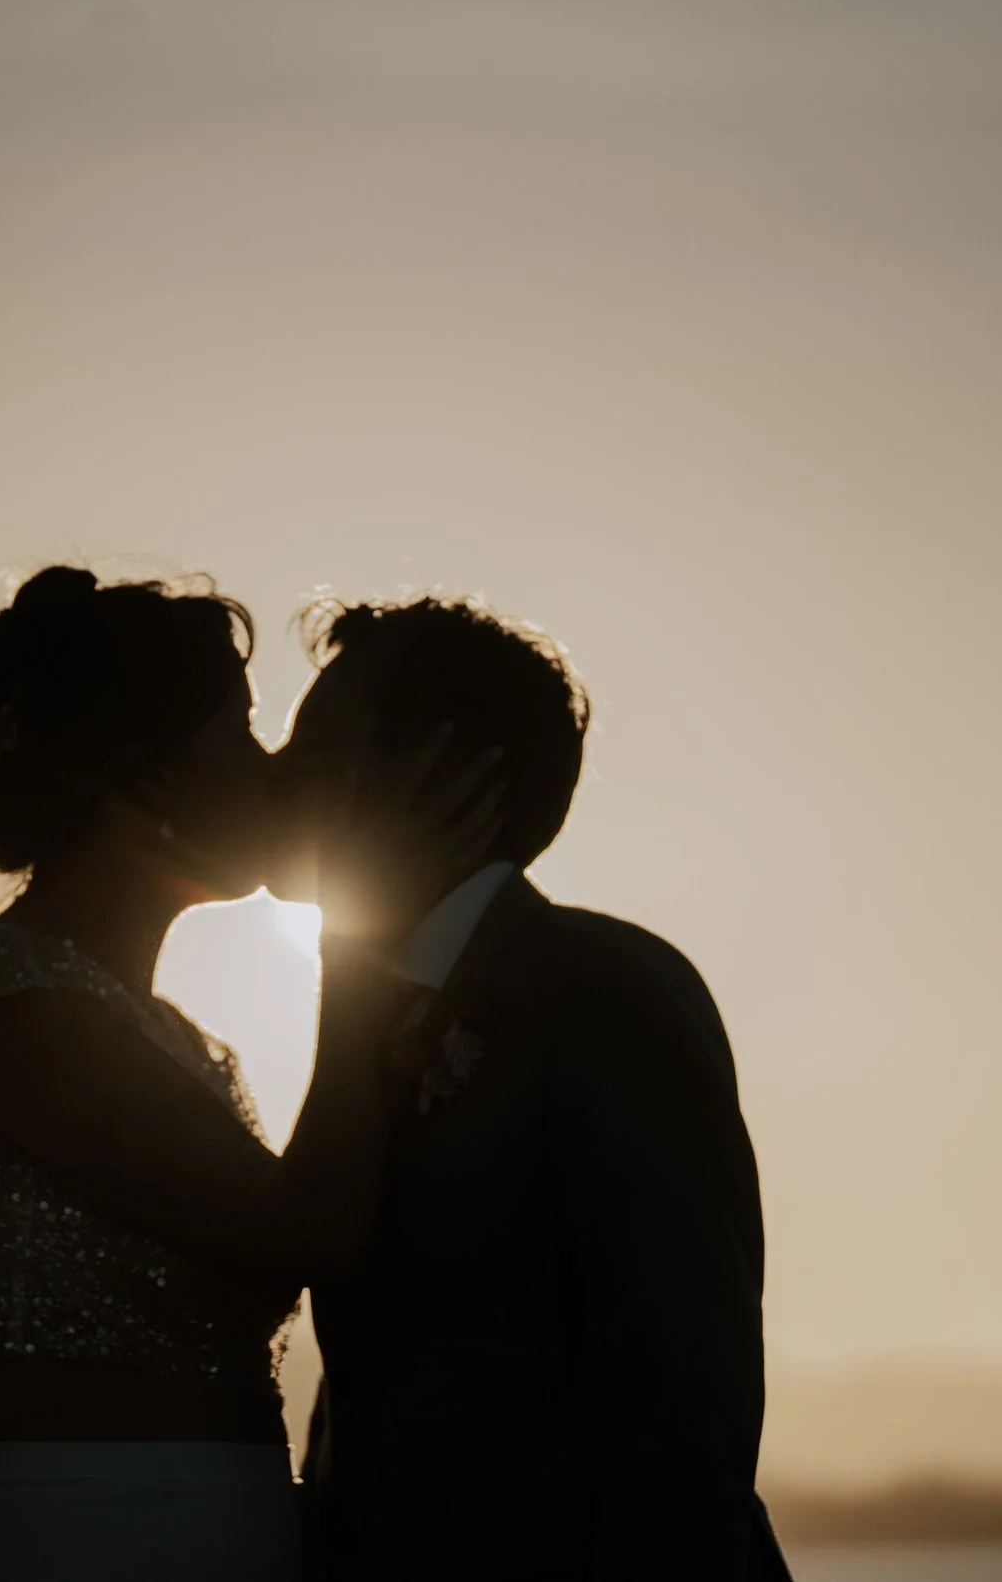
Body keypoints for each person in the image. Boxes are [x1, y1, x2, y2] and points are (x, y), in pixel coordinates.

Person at [0, 566, 501, 1582]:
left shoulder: (175, 1037)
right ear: (150, 774)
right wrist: (355, 921)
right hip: (80, 1541)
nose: (273, 770)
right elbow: (313, 1226)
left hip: (234, 1531)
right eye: (241, 732)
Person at [277, 596, 791, 1581]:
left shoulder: (603, 988)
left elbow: (682, 1405)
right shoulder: (363, 1015)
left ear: (438, 767)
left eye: (316, 747)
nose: (279, 778)